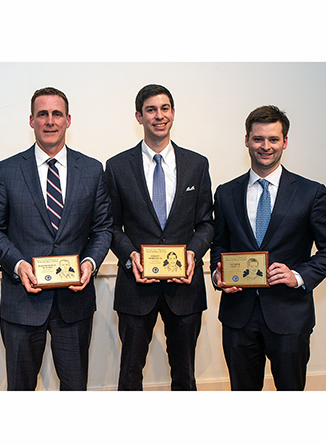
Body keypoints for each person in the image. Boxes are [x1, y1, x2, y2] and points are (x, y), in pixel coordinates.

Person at [0, 87, 112, 391]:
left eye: (56, 114)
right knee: (21, 387)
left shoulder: (92, 170)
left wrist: (90, 263)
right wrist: (17, 264)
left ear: (68, 120)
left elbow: (103, 227)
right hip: (21, 302)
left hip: (74, 303)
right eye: (42, 114)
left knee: (75, 386)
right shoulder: (7, 170)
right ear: (31, 121)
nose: (49, 121)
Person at [105, 84, 214, 390]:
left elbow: (206, 223)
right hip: (136, 288)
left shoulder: (197, 164)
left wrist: (192, 254)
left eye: (165, 108)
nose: (159, 115)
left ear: (174, 113)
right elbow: (111, 226)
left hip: (185, 288)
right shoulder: (116, 167)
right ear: (139, 116)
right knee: (129, 376)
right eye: (151, 110)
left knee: (185, 375)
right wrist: (130, 257)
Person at [211, 105, 326, 390]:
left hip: (289, 317)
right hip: (238, 317)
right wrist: (217, 275)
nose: (266, 146)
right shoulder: (226, 193)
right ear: (247, 140)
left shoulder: (311, 193)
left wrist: (297, 276)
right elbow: (219, 246)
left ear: (285, 142)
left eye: (273, 139)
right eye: (259, 139)